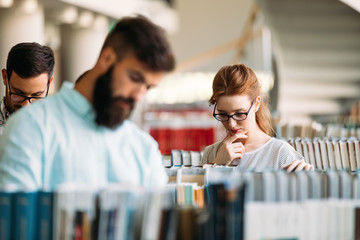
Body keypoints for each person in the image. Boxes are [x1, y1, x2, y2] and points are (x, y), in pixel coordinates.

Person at [0, 15, 175, 190]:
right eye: (135, 78)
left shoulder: (144, 149)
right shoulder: (30, 126)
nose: (139, 96)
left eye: (148, 87)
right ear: (107, 59)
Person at [201, 64, 313, 172]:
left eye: (239, 114)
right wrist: (218, 164)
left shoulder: (280, 153)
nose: (231, 124)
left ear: (256, 104)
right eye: (223, 114)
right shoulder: (211, 153)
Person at [0, 42, 55, 134]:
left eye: (36, 95)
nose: (26, 105)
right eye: (19, 94)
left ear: (49, 83)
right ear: (5, 77)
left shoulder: (58, 127)